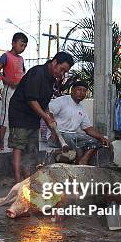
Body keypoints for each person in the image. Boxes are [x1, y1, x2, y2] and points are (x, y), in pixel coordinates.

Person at [8, 52, 74, 183]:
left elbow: (44, 104)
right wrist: (46, 117)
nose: (62, 74)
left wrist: (49, 118)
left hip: (33, 118)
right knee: (18, 147)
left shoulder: (51, 79)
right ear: (55, 62)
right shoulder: (37, 73)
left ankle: (27, 182)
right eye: (62, 69)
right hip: (20, 114)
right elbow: (32, 100)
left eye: (65, 72)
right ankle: (17, 183)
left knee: (31, 149)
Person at [48, 81, 110, 164]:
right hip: (57, 136)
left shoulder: (82, 108)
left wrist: (102, 137)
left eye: (84, 91)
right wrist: (53, 131)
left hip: (73, 136)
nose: (82, 93)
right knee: (74, 146)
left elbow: (88, 128)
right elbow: (48, 113)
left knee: (97, 141)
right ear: (72, 90)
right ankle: (72, 163)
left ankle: (84, 160)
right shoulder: (62, 101)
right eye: (79, 89)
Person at [0, 32, 28, 150]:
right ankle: (0, 142)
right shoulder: (6, 56)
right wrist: (9, 82)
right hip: (9, 89)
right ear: (13, 43)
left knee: (16, 116)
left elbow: (23, 73)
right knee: (5, 116)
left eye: (25, 46)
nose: (23, 48)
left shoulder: (21, 59)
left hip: (19, 90)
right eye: (21, 45)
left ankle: (13, 142)